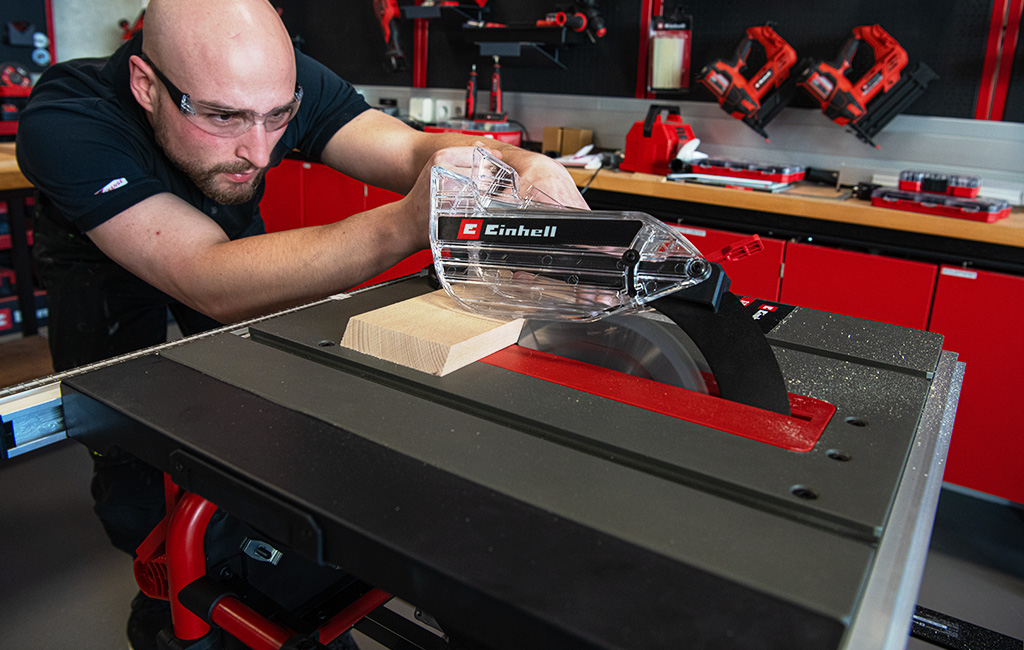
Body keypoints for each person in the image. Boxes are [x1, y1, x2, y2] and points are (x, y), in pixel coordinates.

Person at [15, 0, 587, 647]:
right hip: (110, 275)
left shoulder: (267, 85)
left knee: (262, 413)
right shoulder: (67, 119)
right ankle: (173, 610)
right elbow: (203, 274)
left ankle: (269, 579)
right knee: (134, 464)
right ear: (148, 87)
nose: (259, 150)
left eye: (278, 118)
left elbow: (410, 147)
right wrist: (405, 223)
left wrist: (512, 164)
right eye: (224, 118)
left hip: (227, 246)